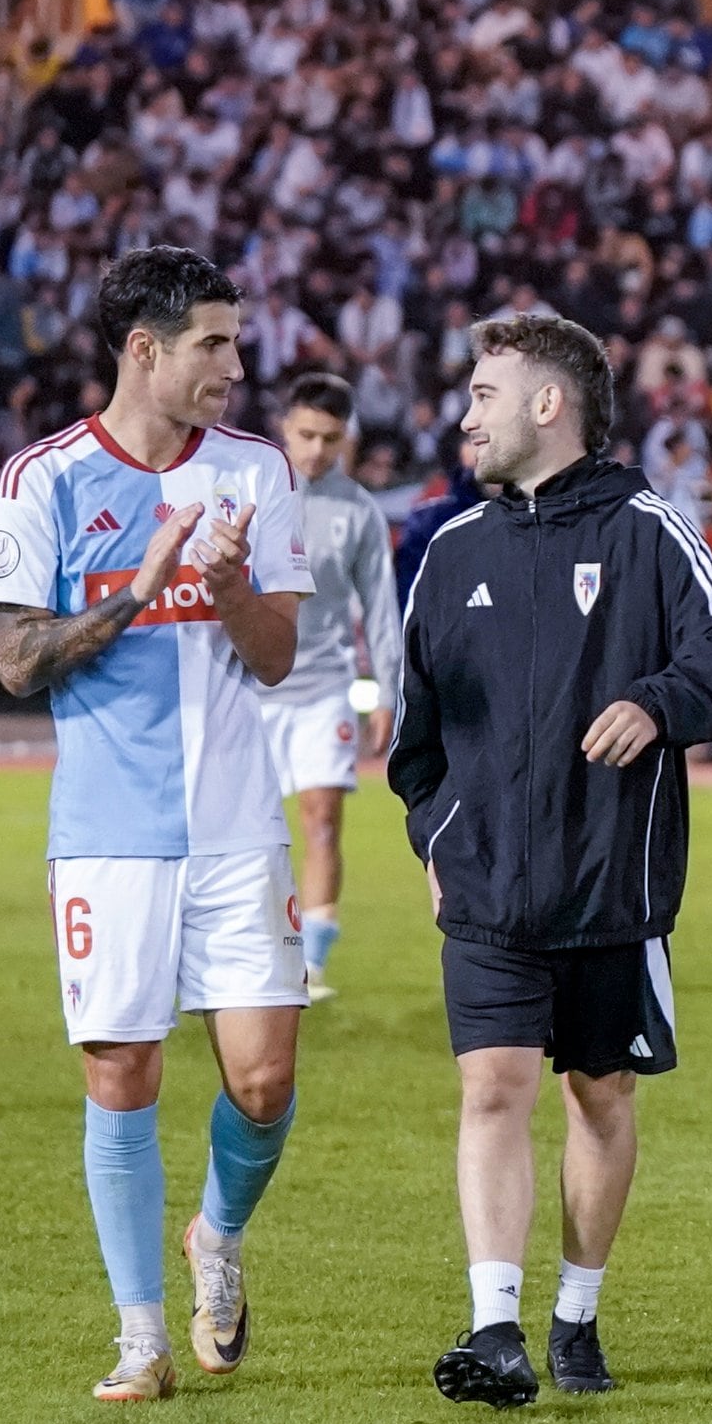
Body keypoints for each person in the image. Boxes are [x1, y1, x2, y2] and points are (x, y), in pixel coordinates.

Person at [392, 311, 712, 1406]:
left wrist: (656, 701)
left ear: (548, 405)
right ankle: (494, 1325)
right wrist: (434, 836)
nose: (466, 415)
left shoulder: (650, 527)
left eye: (483, 394)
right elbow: (414, 734)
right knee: (493, 1088)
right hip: (491, 889)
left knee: (601, 1099)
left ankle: (576, 1316)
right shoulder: (451, 551)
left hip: (614, 890)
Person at [0, 249, 313, 1403]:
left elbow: (276, 659)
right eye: (212, 344)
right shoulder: (48, 478)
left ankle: (216, 1236)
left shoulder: (258, 470)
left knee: (265, 1081)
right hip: (110, 832)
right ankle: (141, 1338)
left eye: (233, 341)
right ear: (145, 350)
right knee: (123, 1071)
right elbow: (17, 659)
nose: (235, 364)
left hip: (235, 824)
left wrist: (224, 588)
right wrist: (140, 584)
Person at [259, 372, 402, 1004]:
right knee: (249, 830)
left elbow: (380, 607)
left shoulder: (358, 512)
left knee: (321, 821)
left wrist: (388, 690)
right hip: (250, 688)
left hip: (324, 686)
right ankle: (253, 952)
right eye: (307, 434)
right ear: (283, 428)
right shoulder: (248, 494)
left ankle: (310, 967)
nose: (317, 450)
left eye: (331, 438)